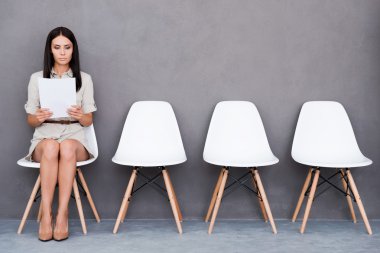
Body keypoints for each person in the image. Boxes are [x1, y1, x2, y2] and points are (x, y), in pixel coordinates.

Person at [24, 27, 97, 241]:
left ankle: (62, 213)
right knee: (51, 146)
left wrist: (80, 114)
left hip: (74, 136)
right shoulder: (37, 78)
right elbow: (30, 120)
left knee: (64, 146)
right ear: (50, 50)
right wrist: (37, 117)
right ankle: (47, 215)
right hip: (44, 137)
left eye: (67, 47)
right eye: (57, 47)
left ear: (73, 50)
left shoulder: (84, 79)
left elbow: (89, 120)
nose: (62, 52)